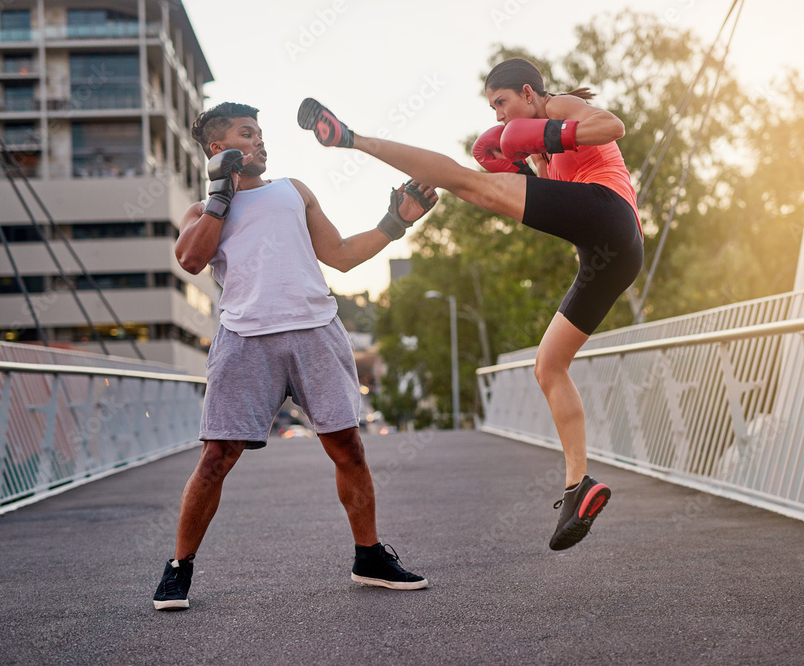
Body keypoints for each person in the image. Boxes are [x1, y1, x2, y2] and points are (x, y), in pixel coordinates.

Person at [298, 58, 644, 551]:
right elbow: (542, 186)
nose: (499, 117)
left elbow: (614, 125)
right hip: (611, 254)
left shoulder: (559, 106)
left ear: (529, 93)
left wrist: (545, 134)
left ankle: (351, 139)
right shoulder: (540, 152)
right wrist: (529, 160)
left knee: (467, 182)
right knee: (548, 366)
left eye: (502, 104)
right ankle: (578, 485)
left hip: (611, 215)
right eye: (493, 109)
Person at [153, 102, 437, 610]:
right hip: (244, 339)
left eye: (261, 133)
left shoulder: (293, 190)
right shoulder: (201, 211)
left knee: (348, 446)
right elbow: (192, 259)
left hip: (315, 331)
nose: (260, 141)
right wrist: (221, 195)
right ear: (219, 149)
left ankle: (369, 557)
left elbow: (343, 256)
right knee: (217, 457)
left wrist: (395, 222)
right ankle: (179, 569)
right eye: (247, 134)